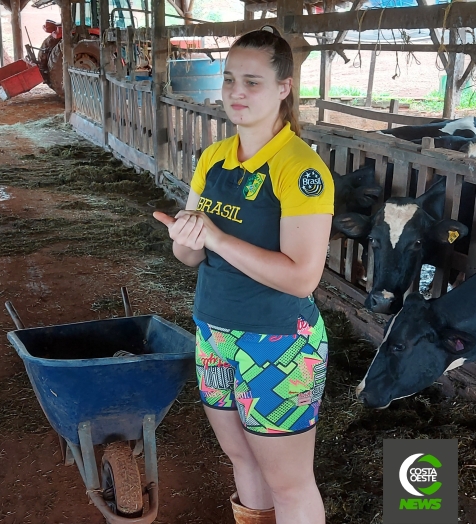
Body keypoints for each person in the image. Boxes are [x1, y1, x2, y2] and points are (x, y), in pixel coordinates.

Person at [153, 26, 334, 524]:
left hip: (278, 343)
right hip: (214, 331)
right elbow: (190, 258)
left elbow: (302, 279)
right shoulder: (213, 159)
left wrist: (214, 237)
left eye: (252, 81)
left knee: (290, 482)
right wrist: (186, 241)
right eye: (229, 79)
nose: (236, 92)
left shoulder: (301, 169)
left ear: (284, 87)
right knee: (243, 459)